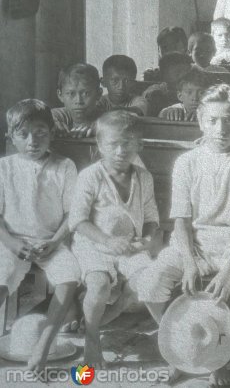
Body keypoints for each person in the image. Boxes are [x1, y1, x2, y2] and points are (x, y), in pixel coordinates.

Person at [137, 85, 230, 386]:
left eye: (229, 120)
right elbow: (181, 222)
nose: (221, 128)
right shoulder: (187, 162)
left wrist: (228, 270)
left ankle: (218, 354)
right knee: (149, 282)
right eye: (213, 120)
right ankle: (181, 348)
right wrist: (188, 261)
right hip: (193, 245)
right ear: (200, 121)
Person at [68, 111, 160, 367]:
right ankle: (92, 336)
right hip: (94, 245)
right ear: (99, 145)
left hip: (129, 247)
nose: (121, 150)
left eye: (128, 143)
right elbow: (77, 221)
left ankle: (99, 318)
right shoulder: (91, 176)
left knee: (147, 281)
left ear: (139, 145)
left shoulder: (144, 178)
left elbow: (152, 219)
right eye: (113, 144)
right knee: (98, 285)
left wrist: (148, 239)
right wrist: (108, 241)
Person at [0, 99, 80, 372]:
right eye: (23, 135)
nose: (32, 141)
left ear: (52, 134)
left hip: (51, 242)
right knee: (1, 273)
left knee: (69, 275)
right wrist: (11, 242)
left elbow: (73, 214)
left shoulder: (64, 166)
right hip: (11, 241)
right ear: (10, 138)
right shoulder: (4, 168)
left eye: (40, 133)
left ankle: (44, 345)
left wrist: (55, 242)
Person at [52, 63, 104, 138]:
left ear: (99, 94)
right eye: (71, 93)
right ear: (60, 95)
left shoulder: (108, 118)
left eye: (86, 93)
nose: (79, 101)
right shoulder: (57, 116)